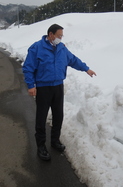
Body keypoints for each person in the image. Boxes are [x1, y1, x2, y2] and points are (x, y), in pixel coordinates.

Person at [22, 24, 96, 161]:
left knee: (58, 116)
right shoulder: (37, 48)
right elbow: (28, 67)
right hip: (43, 88)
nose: (60, 38)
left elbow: (73, 60)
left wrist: (86, 69)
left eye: (61, 36)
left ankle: (55, 141)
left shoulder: (62, 49)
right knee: (41, 117)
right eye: (59, 36)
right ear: (50, 35)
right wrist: (31, 85)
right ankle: (41, 146)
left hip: (58, 87)